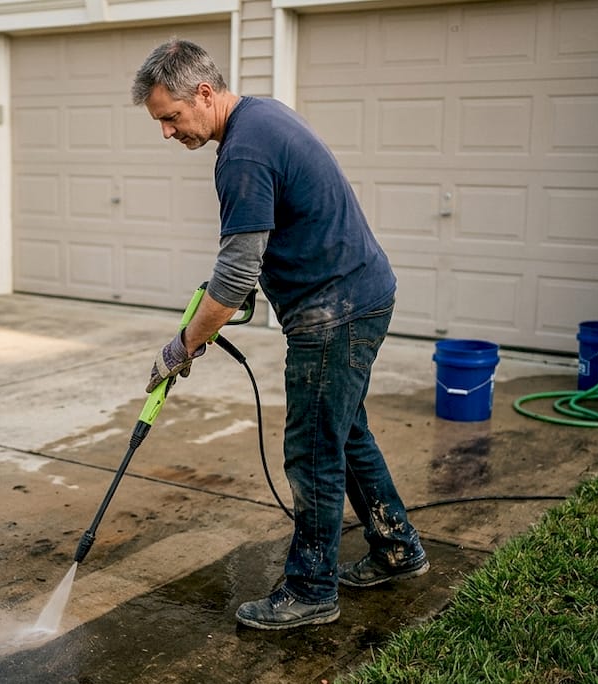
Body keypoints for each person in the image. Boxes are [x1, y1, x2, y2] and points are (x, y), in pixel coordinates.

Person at [132, 38, 428, 630]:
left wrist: (183, 345)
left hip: (335, 309)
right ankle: (398, 548)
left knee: (313, 449)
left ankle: (311, 588)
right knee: (343, 433)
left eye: (171, 118)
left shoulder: (242, 152)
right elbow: (256, 252)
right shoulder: (262, 116)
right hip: (361, 292)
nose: (167, 133)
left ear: (205, 93)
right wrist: (225, 301)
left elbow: (239, 266)